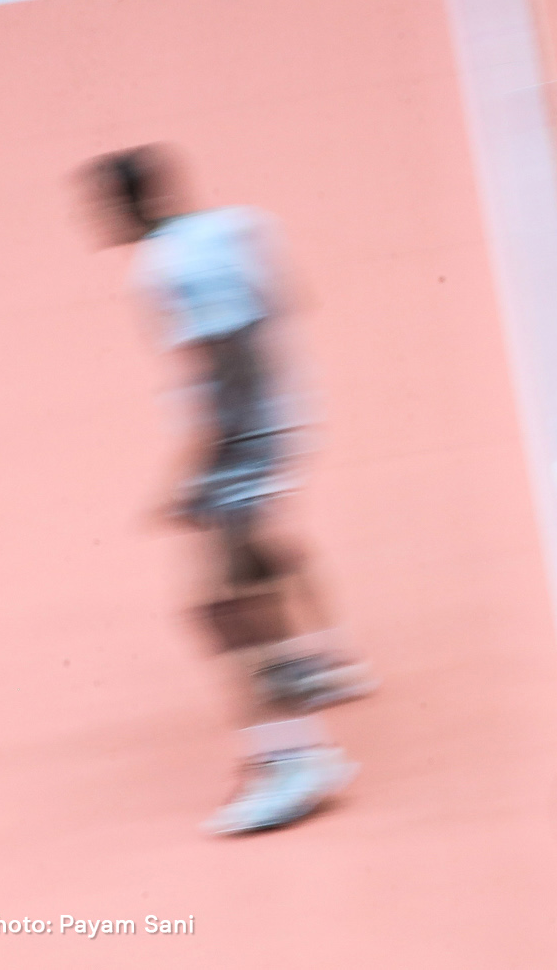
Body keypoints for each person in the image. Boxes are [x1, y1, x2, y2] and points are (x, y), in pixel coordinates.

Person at [84, 145, 373, 836]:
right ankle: (326, 665)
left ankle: (292, 761)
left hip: (244, 447)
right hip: (284, 422)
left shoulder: (169, 265)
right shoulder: (234, 226)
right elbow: (287, 301)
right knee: (259, 566)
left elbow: (231, 363)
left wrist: (207, 468)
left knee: (225, 609)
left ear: (126, 204)